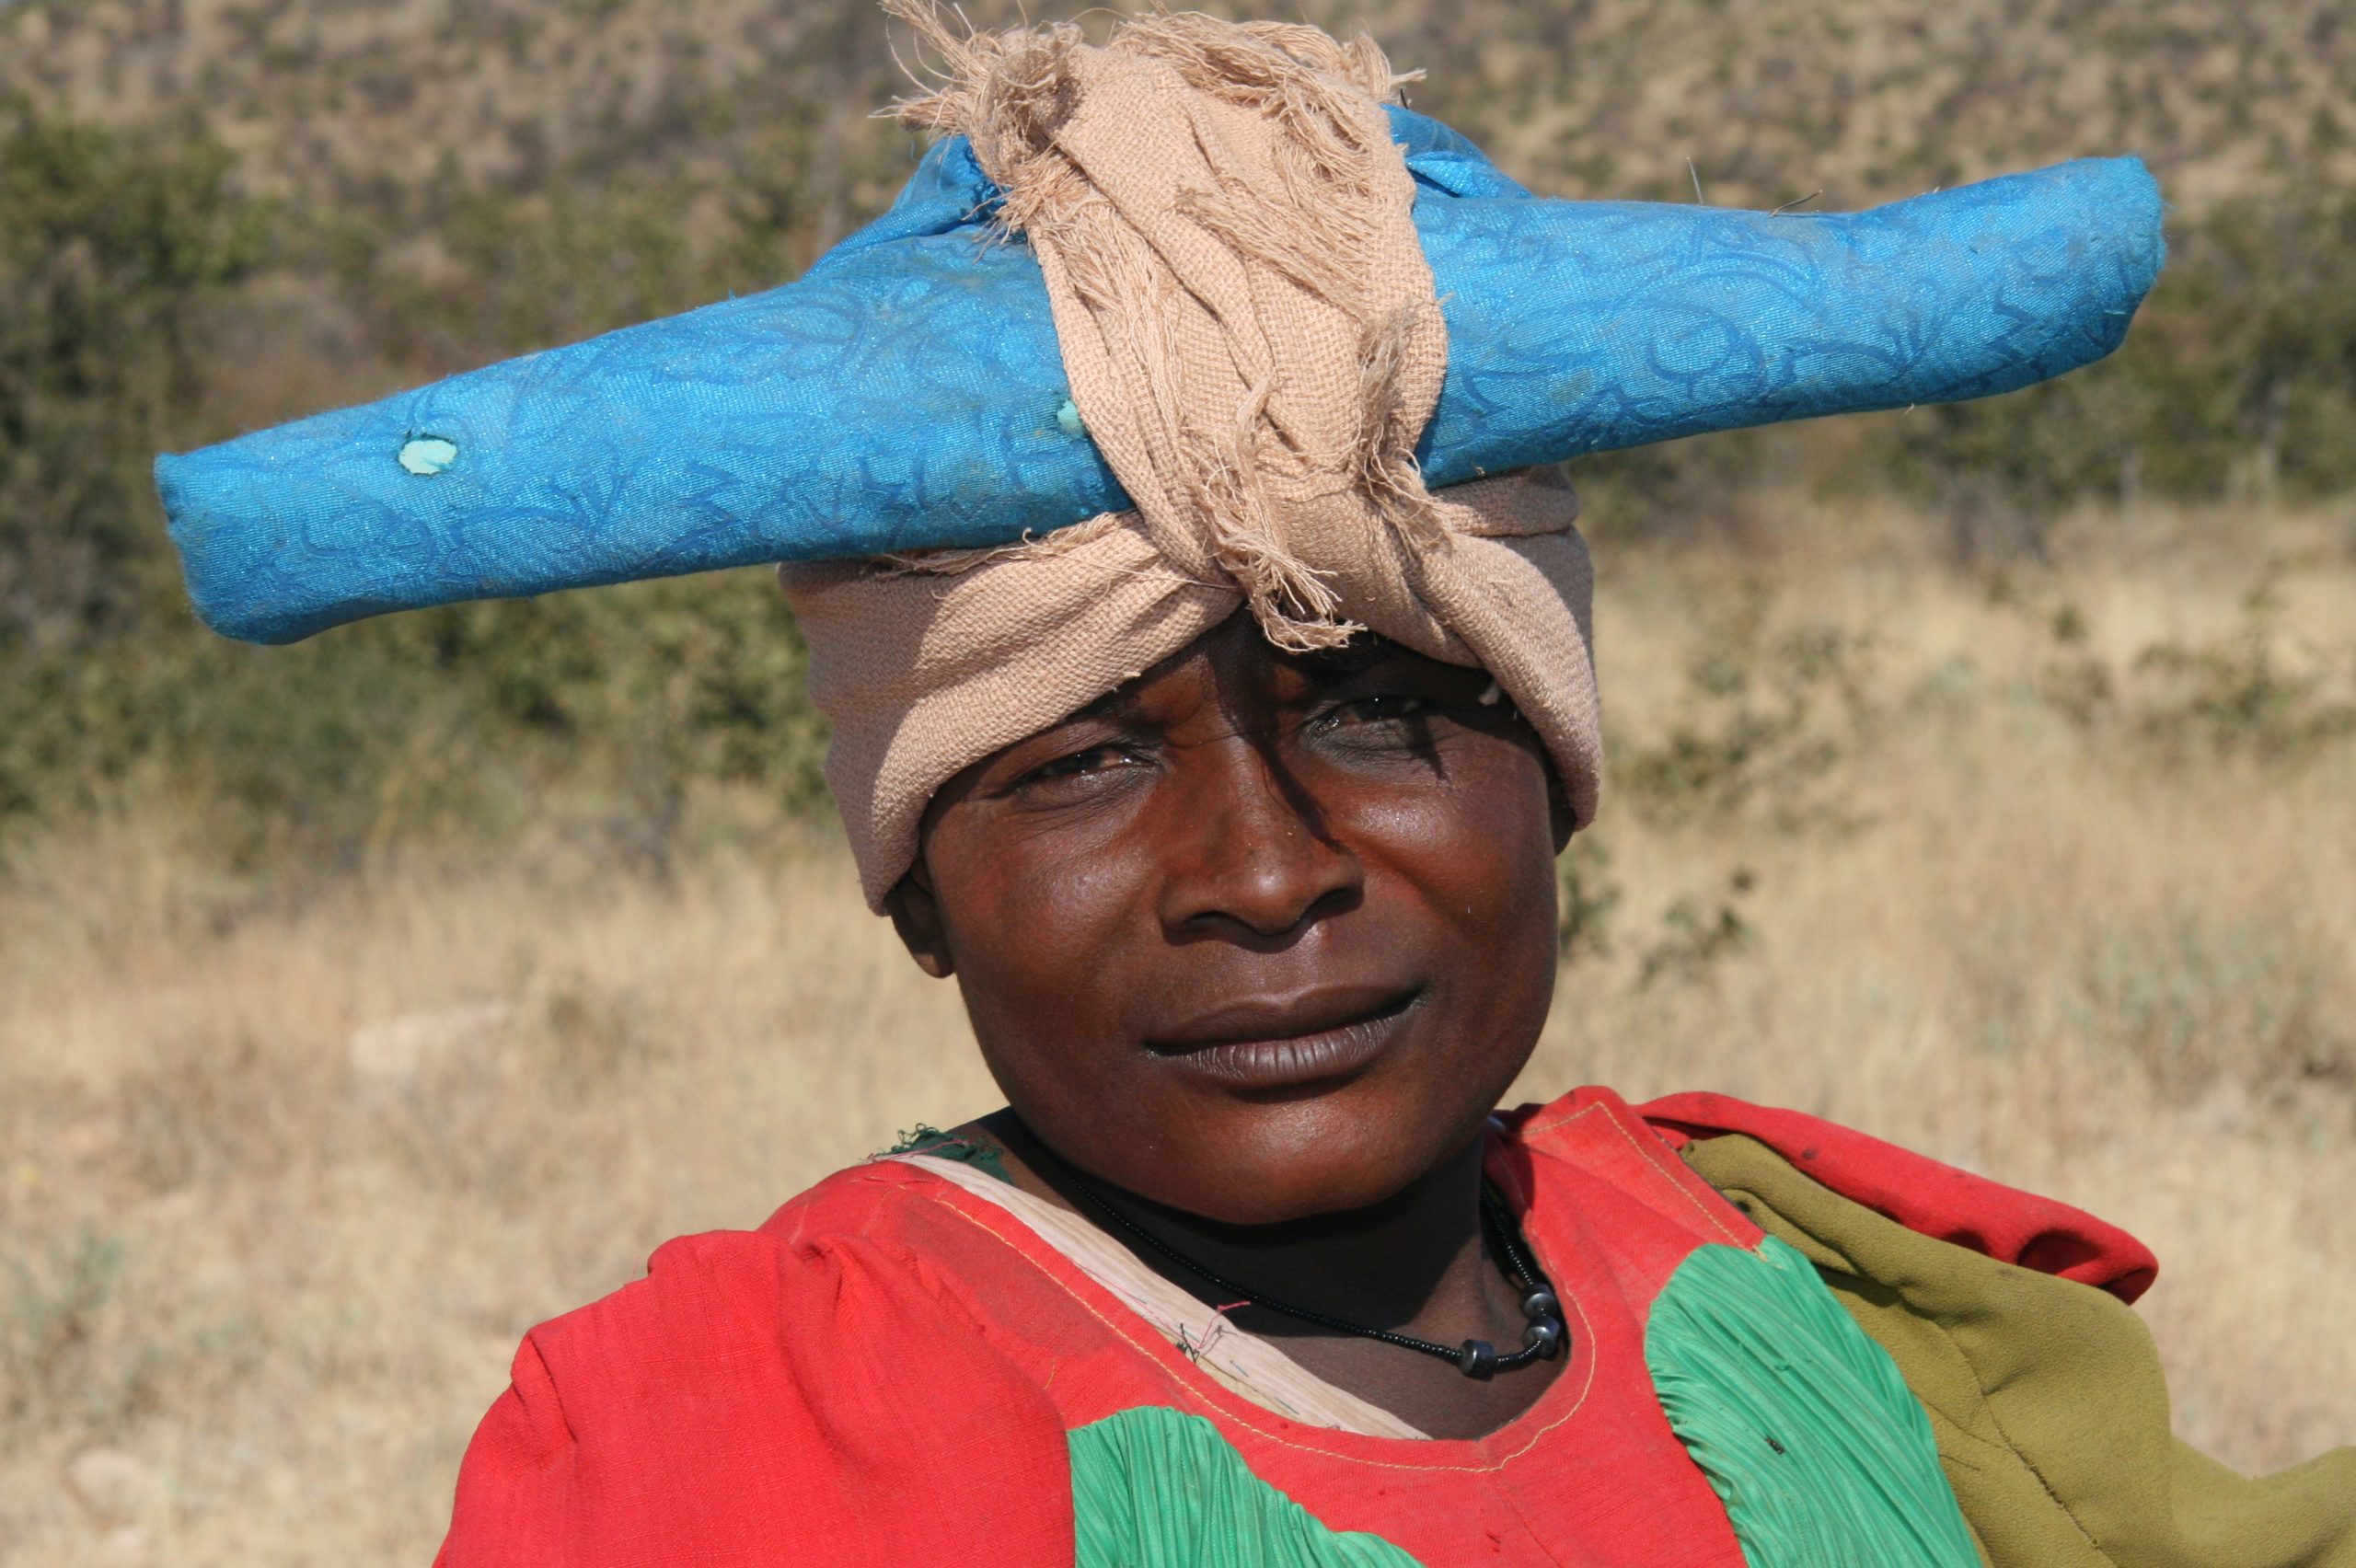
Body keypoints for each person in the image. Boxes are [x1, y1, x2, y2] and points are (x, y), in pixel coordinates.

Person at [156, 7, 2351, 1564]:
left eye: (1388, 706)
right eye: (1084, 756)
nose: (1262, 875)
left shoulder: (1787, 1279)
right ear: (913, 878)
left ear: (1556, 770)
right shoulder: (734, 1450)